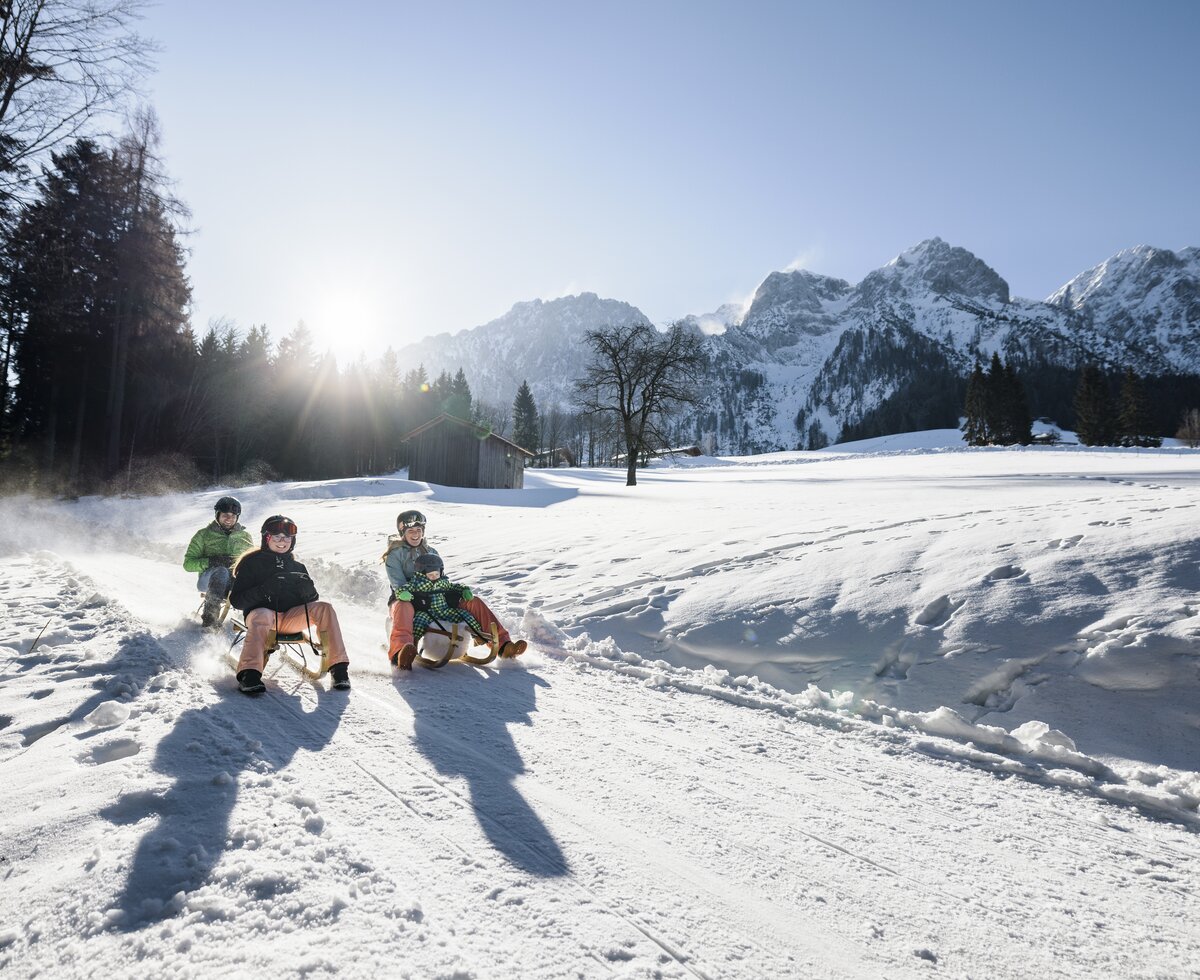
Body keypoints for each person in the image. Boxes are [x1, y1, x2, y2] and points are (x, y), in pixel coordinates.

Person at [382, 509, 526, 669]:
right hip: (405, 598)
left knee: (473, 602)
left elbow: (440, 577)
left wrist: (453, 592)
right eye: (410, 531)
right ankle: (400, 653)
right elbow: (398, 585)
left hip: (435, 598)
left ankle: (504, 646)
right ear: (402, 532)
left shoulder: (431, 552)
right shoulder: (395, 555)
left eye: (418, 530)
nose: (415, 534)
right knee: (404, 606)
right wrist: (410, 594)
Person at [229, 514, 351, 695]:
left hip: (290, 619)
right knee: (263, 614)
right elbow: (237, 600)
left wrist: (308, 592)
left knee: (325, 608)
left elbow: (310, 601)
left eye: (287, 537)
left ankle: (339, 669)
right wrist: (264, 590)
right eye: (277, 537)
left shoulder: (298, 566)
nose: (282, 541)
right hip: (263, 616)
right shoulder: (252, 563)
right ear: (267, 538)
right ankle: (250, 674)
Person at [183, 495, 254, 629]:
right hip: (209, 579)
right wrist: (212, 561)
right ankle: (210, 619)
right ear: (217, 515)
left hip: (235, 581)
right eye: (225, 515)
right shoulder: (203, 535)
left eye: (233, 516)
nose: (229, 519)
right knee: (221, 571)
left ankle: (259, 622)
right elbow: (188, 564)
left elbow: (252, 562)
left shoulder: (245, 537)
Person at [398, 552, 485, 648]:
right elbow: (403, 588)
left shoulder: (443, 582)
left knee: (465, 615)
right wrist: (403, 593)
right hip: (427, 612)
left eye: (437, 574)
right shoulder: (417, 583)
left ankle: (477, 635)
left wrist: (464, 589)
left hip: (445, 610)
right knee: (419, 621)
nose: (434, 576)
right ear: (422, 574)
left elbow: (454, 586)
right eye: (430, 574)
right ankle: (414, 643)